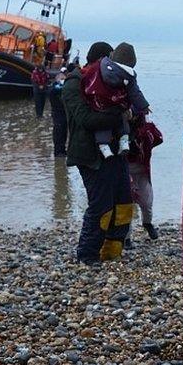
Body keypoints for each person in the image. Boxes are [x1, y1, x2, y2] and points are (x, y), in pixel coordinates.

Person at [62, 42, 134, 265]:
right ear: (101, 61)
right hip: (89, 155)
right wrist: (120, 114)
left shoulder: (113, 83)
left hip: (115, 152)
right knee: (101, 205)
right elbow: (86, 119)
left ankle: (113, 249)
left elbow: (130, 106)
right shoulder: (74, 84)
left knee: (123, 201)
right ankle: (88, 254)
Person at [81, 42, 150, 159]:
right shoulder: (128, 76)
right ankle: (124, 142)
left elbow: (88, 91)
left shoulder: (95, 73)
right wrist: (143, 107)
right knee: (121, 118)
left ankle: (104, 146)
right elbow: (135, 94)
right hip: (90, 157)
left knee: (104, 125)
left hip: (100, 104)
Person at [128, 111, 163, 241]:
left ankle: (147, 223)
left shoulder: (147, 130)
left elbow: (159, 138)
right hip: (124, 172)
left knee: (147, 202)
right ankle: (126, 237)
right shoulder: (121, 130)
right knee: (126, 204)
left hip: (142, 172)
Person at [50, 67, 69, 157]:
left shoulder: (62, 87)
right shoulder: (55, 88)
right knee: (59, 133)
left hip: (63, 113)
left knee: (64, 132)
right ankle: (58, 152)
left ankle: (62, 150)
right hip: (58, 113)